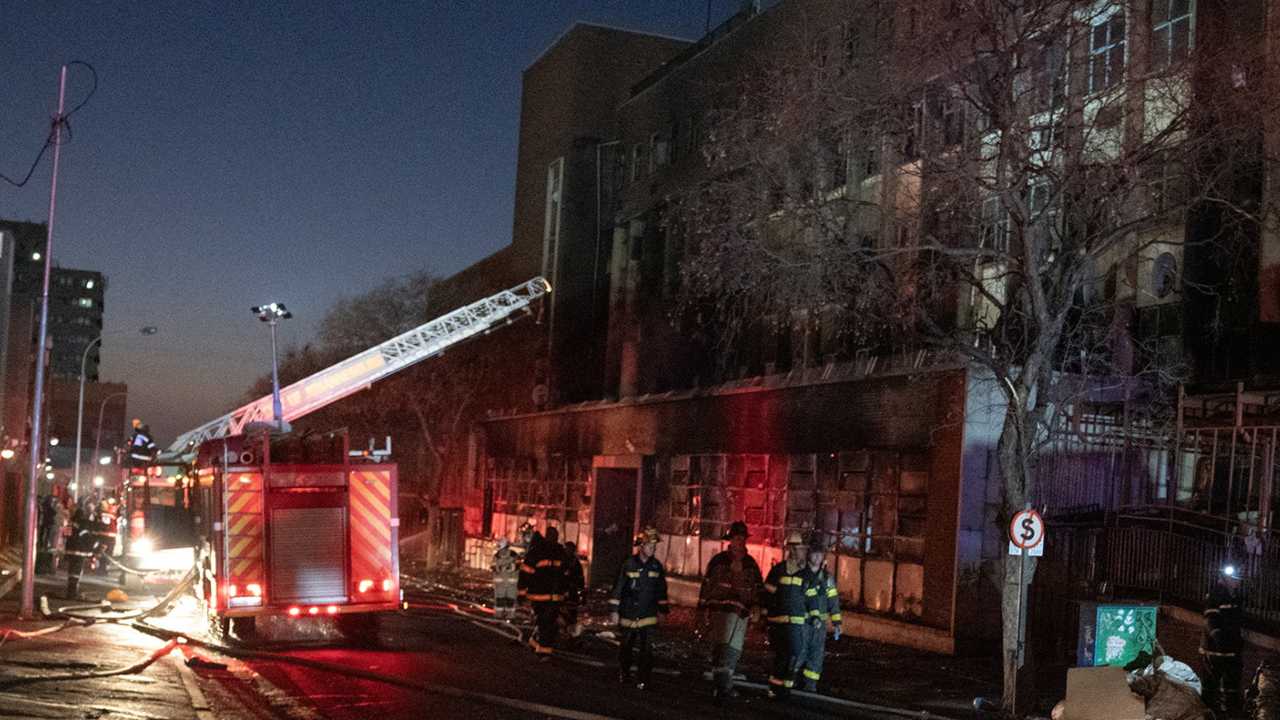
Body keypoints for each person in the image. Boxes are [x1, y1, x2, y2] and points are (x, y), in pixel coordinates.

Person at [699, 520, 764, 702]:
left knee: (733, 650)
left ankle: (722, 686)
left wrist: (758, 608)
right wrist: (702, 609)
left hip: (740, 615)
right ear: (730, 540)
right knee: (721, 649)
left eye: (742, 538)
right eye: (736, 538)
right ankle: (723, 688)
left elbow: (757, 588)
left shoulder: (750, 564)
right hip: (719, 613)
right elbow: (706, 586)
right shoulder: (718, 561)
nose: (739, 542)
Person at [610, 527, 670, 690]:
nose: (653, 549)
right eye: (650, 546)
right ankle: (625, 672)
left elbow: (661, 591)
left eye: (654, 547)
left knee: (647, 649)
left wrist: (663, 611)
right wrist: (614, 610)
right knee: (626, 646)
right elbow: (618, 587)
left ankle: (643, 678)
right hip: (628, 613)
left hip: (648, 615)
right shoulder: (628, 564)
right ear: (641, 546)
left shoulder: (656, 567)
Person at [762, 531, 816, 700]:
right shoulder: (778, 571)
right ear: (788, 549)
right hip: (778, 623)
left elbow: (812, 596)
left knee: (794, 654)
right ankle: (775, 688)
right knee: (782, 656)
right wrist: (764, 616)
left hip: (796, 623)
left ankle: (785, 688)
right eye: (792, 548)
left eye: (798, 548)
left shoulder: (806, 573)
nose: (795, 551)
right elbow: (767, 596)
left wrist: (814, 616)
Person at [798, 533, 841, 693]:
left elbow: (833, 600)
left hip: (820, 626)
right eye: (814, 554)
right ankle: (791, 679)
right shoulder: (802, 575)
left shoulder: (827, 578)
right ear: (809, 555)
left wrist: (837, 622)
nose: (816, 558)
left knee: (816, 654)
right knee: (799, 650)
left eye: (819, 554)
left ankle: (810, 685)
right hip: (803, 622)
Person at [1202, 563, 1245, 716]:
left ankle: (1229, 712)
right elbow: (1210, 619)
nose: (1239, 582)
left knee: (1230, 686)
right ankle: (1212, 714)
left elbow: (1236, 623)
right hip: (1216, 652)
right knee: (1212, 686)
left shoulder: (1235, 598)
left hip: (1230, 651)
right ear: (1227, 579)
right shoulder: (1217, 595)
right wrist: (1219, 639)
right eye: (1236, 579)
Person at [519, 525, 565, 659]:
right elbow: (526, 573)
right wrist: (521, 593)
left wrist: (521, 594)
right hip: (542, 596)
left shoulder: (553, 551)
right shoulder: (543, 551)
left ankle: (536, 644)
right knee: (546, 623)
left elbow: (565, 574)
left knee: (547, 623)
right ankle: (543, 651)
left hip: (550, 596)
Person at [64, 497, 107, 599]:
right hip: (80, 552)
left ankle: (71, 592)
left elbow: (67, 536)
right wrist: (94, 551)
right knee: (76, 573)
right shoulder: (85, 524)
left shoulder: (71, 523)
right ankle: (72, 593)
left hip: (71, 551)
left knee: (71, 572)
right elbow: (89, 539)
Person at [491, 537, 520, 621]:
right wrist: (501, 568)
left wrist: (510, 567)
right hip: (500, 583)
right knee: (499, 600)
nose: (501, 550)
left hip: (511, 583)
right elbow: (493, 566)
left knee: (510, 599)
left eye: (502, 548)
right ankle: (498, 615)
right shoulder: (496, 556)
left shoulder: (514, 555)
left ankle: (510, 616)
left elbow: (518, 565)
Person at [561, 540, 585, 638]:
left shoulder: (576, 563)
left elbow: (580, 579)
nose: (568, 551)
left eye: (570, 550)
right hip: (562, 591)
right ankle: (564, 631)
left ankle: (569, 632)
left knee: (571, 613)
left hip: (571, 592)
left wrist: (582, 594)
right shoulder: (560, 561)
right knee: (561, 612)